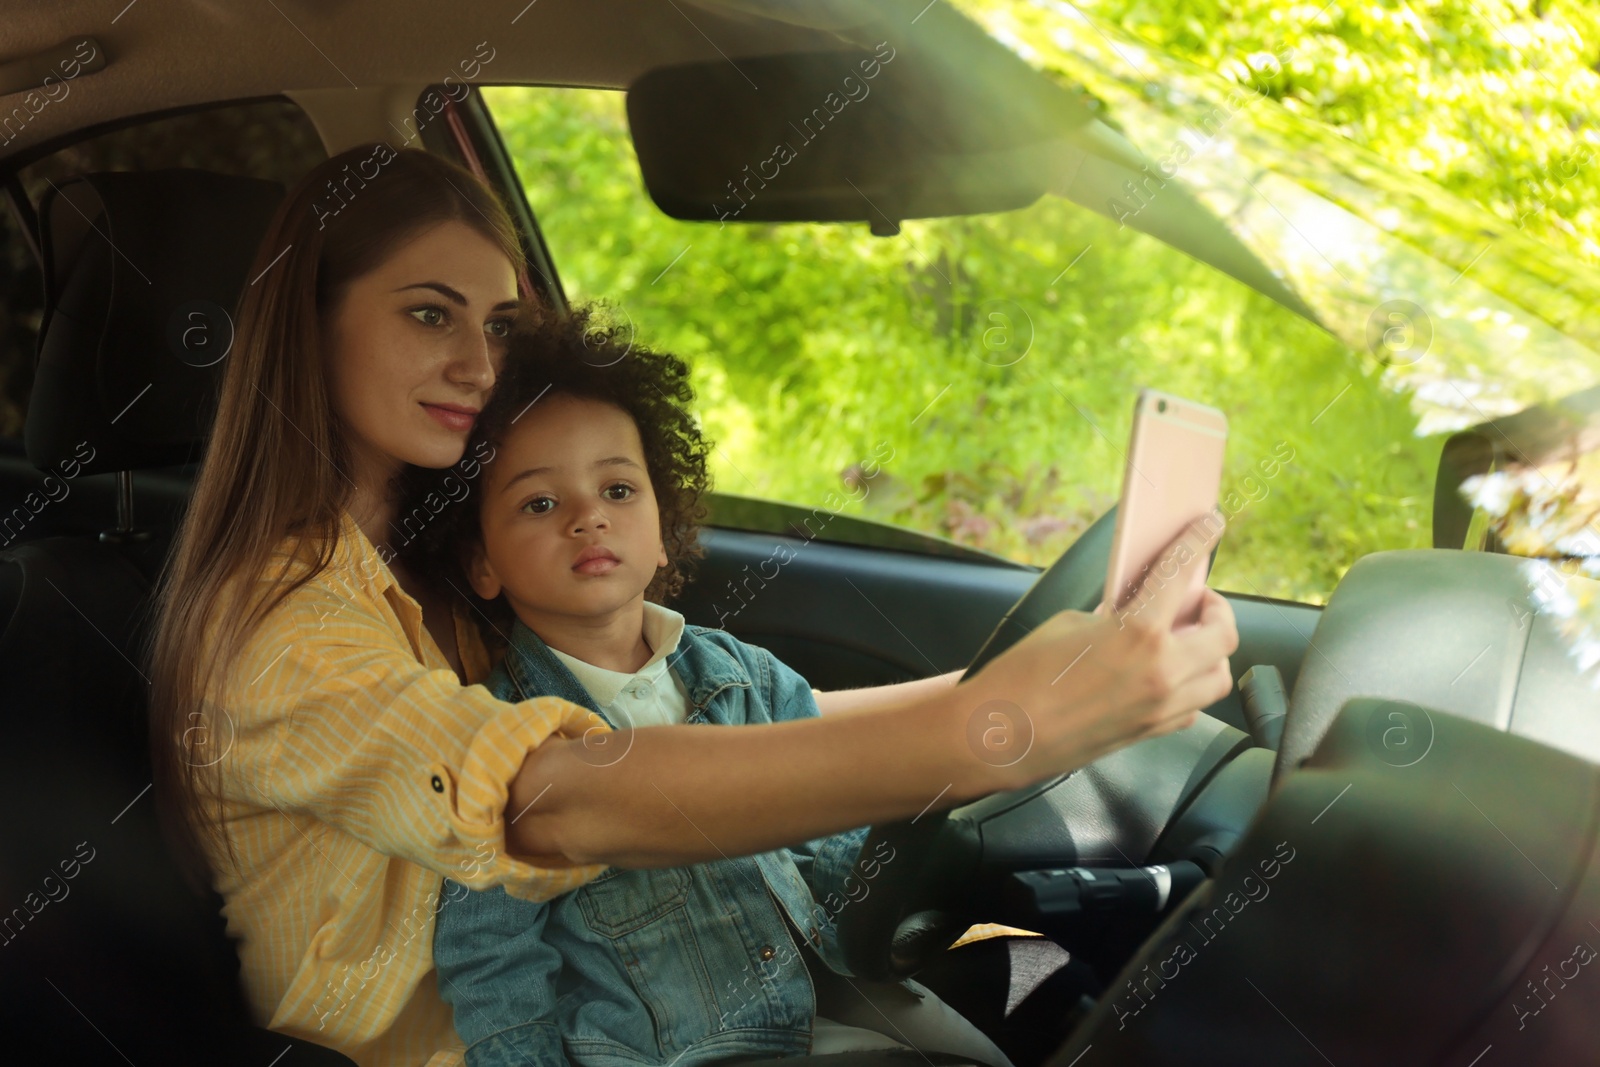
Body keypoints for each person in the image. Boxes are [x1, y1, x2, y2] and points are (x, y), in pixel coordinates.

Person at [147, 143, 1238, 1067]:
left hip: (696, 983)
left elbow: (754, 721)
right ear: (310, 321)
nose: (478, 362)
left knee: (1081, 972)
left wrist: (1021, 689)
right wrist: (994, 732)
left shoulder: (430, 558)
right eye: (430, 315)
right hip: (536, 1040)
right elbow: (544, 800)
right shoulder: (276, 627)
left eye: (497, 325)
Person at [403, 307, 1015, 1067]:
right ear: (481, 563)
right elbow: (491, 960)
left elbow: (834, 835)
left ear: (663, 529)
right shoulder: (505, 739)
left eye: (619, 490)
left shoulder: (742, 672)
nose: (589, 517)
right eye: (540, 503)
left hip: (832, 988)